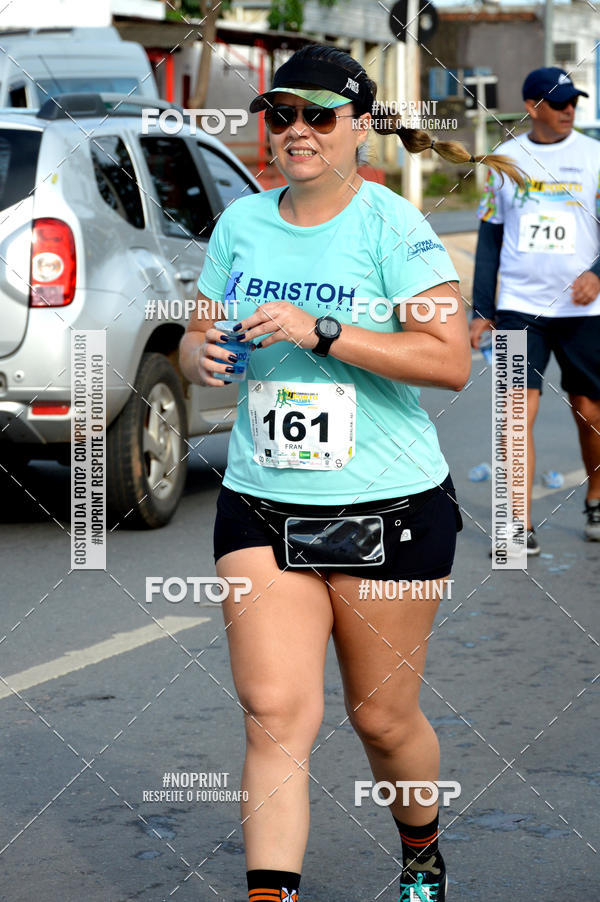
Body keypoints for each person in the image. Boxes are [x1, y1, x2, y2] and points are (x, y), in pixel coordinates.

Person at [180, 44, 524, 902]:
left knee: (382, 717)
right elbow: (193, 336)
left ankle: (420, 848)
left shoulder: (394, 227)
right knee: (274, 712)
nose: (297, 130)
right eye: (281, 113)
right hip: (263, 501)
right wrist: (203, 355)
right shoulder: (240, 224)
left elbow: (448, 361)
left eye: (319, 115)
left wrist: (322, 332)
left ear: (360, 128)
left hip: (389, 506)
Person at [471, 66, 600, 553]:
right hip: (520, 308)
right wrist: (482, 309)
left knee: (589, 411)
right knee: (512, 413)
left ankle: (597, 498)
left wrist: (597, 273)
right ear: (531, 107)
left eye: (573, 102)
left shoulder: (593, 155)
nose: (569, 110)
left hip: (585, 311)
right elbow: (490, 236)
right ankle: (514, 526)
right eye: (559, 102)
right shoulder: (505, 159)